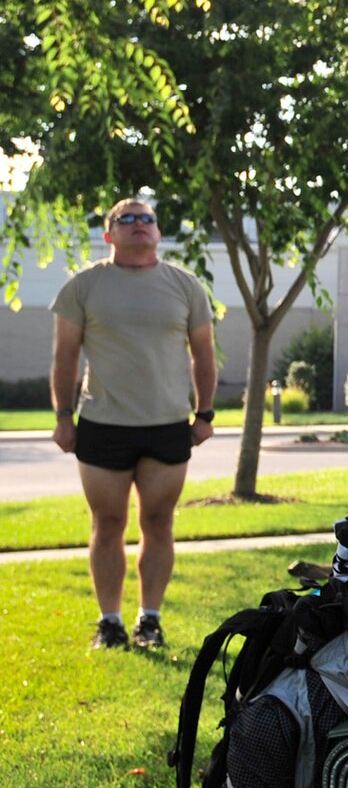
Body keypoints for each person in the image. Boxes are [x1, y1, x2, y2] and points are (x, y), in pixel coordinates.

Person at [50, 198, 217, 651]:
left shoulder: (185, 286)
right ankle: (110, 623)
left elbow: (204, 354)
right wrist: (63, 417)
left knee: (159, 522)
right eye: (127, 219)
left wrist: (204, 415)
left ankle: (151, 620)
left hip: (167, 425)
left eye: (148, 219)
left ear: (159, 233)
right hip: (103, 424)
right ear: (109, 235)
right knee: (107, 523)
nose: (140, 225)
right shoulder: (83, 287)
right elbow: (65, 357)